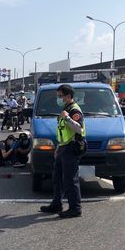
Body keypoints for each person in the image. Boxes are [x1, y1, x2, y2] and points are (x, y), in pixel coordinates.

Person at [40, 84, 85, 218]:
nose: (58, 98)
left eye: (60, 96)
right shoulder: (66, 108)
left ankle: (75, 208)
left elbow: (79, 129)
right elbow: (63, 132)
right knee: (57, 177)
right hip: (63, 147)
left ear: (68, 96)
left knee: (70, 179)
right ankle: (56, 204)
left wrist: (67, 118)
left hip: (72, 148)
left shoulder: (74, 110)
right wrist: (59, 147)